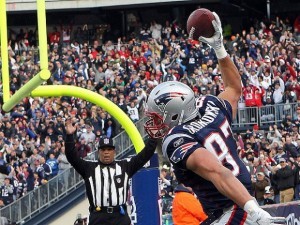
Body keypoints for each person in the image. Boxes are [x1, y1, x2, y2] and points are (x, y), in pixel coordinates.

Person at [144, 11, 285, 225]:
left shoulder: (176, 138)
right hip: (239, 205)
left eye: (157, 117)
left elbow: (218, 172)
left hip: (235, 209)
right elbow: (234, 88)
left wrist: (255, 213)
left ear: (175, 113)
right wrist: (219, 48)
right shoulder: (210, 106)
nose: (154, 123)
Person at [64, 119, 157, 225]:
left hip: (120, 216)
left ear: (114, 151)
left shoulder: (125, 166)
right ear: (98, 152)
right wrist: (70, 136)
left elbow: (144, 156)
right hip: (98, 217)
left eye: (109, 149)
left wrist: (153, 139)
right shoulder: (89, 168)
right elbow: (72, 157)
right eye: (103, 150)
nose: (106, 153)